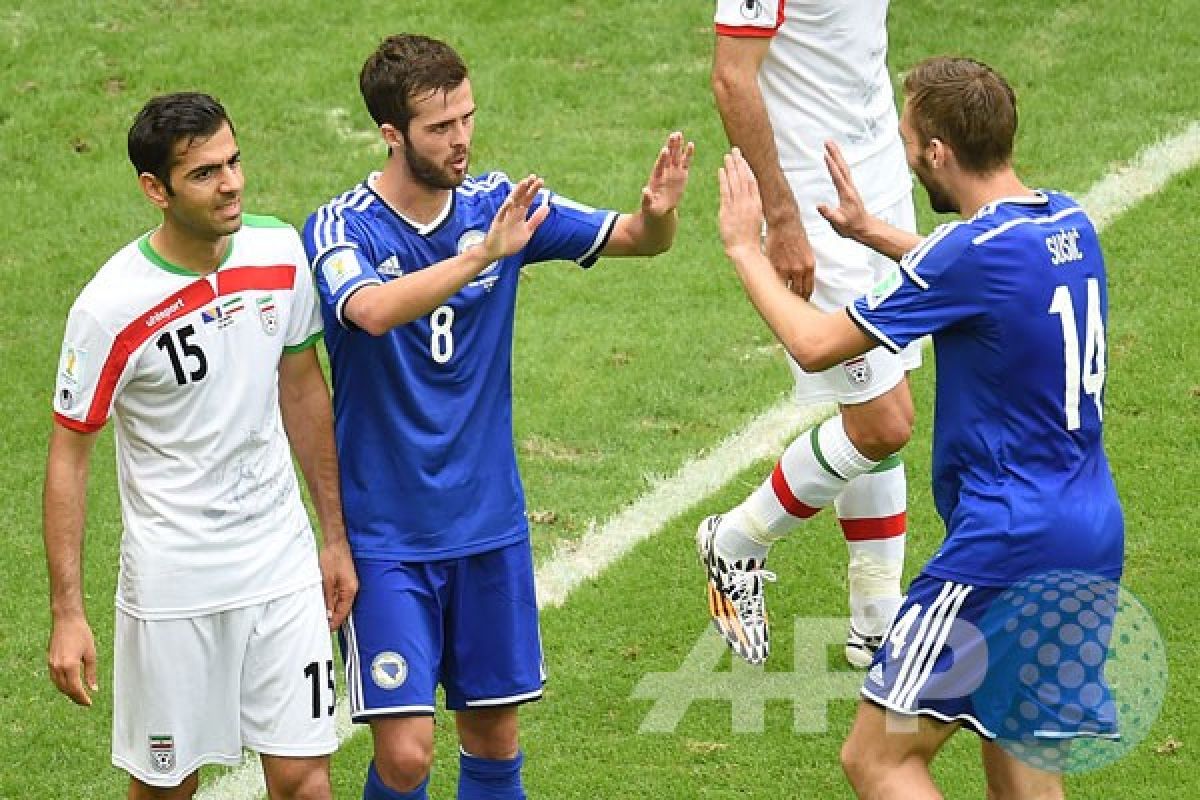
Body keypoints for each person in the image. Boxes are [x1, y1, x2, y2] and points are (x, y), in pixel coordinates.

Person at [714, 57, 1123, 799]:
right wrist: (870, 231)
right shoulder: (1068, 221)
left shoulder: (967, 254)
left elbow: (814, 343)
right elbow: (980, 276)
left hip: (1005, 544)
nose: (903, 151)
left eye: (908, 140)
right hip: (1090, 535)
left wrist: (747, 250)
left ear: (938, 152)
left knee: (877, 759)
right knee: (1025, 776)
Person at [301, 34, 693, 800]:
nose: (461, 140)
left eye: (467, 119)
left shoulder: (497, 205)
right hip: (388, 539)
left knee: (493, 738)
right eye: (440, 127)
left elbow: (638, 240)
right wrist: (482, 257)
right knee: (407, 755)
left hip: (489, 527)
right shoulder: (342, 227)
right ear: (392, 134)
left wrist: (660, 215)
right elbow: (371, 312)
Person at [43, 92, 358, 800]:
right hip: (175, 584)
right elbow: (69, 454)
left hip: (279, 565)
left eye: (234, 160)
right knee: (165, 788)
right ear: (156, 190)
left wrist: (332, 537)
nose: (233, 183)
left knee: (307, 778)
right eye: (206, 173)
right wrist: (68, 612)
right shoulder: (110, 307)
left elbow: (303, 391)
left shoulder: (279, 253)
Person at [707, 0, 919, 667]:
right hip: (809, 191)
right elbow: (731, 78)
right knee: (884, 421)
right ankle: (737, 539)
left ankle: (877, 626)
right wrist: (782, 214)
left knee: (878, 395)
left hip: (873, 170)